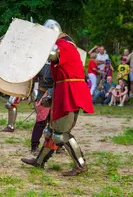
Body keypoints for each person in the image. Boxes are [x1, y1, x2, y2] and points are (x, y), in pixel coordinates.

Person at [21, 19, 94, 176]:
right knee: (50, 131)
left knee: (61, 134)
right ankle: (39, 161)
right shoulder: (64, 45)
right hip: (62, 89)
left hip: (70, 91)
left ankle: (80, 165)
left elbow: (50, 55)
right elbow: (60, 74)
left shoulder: (64, 46)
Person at [30, 60, 54, 154]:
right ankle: (34, 146)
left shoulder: (42, 64)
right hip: (44, 97)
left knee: (53, 124)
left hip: (54, 96)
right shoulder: (42, 64)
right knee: (42, 123)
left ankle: (56, 146)